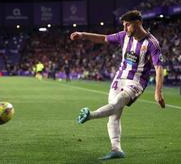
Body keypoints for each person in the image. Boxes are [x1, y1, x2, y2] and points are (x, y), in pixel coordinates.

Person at [70, 10, 165, 160]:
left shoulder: (152, 43)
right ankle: (116, 149)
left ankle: (90, 115)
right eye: (124, 25)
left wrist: (158, 92)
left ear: (138, 23)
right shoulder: (124, 36)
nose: (125, 28)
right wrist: (82, 34)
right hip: (119, 78)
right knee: (114, 114)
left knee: (118, 102)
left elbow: (159, 68)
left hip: (136, 82)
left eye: (128, 25)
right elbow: (103, 39)